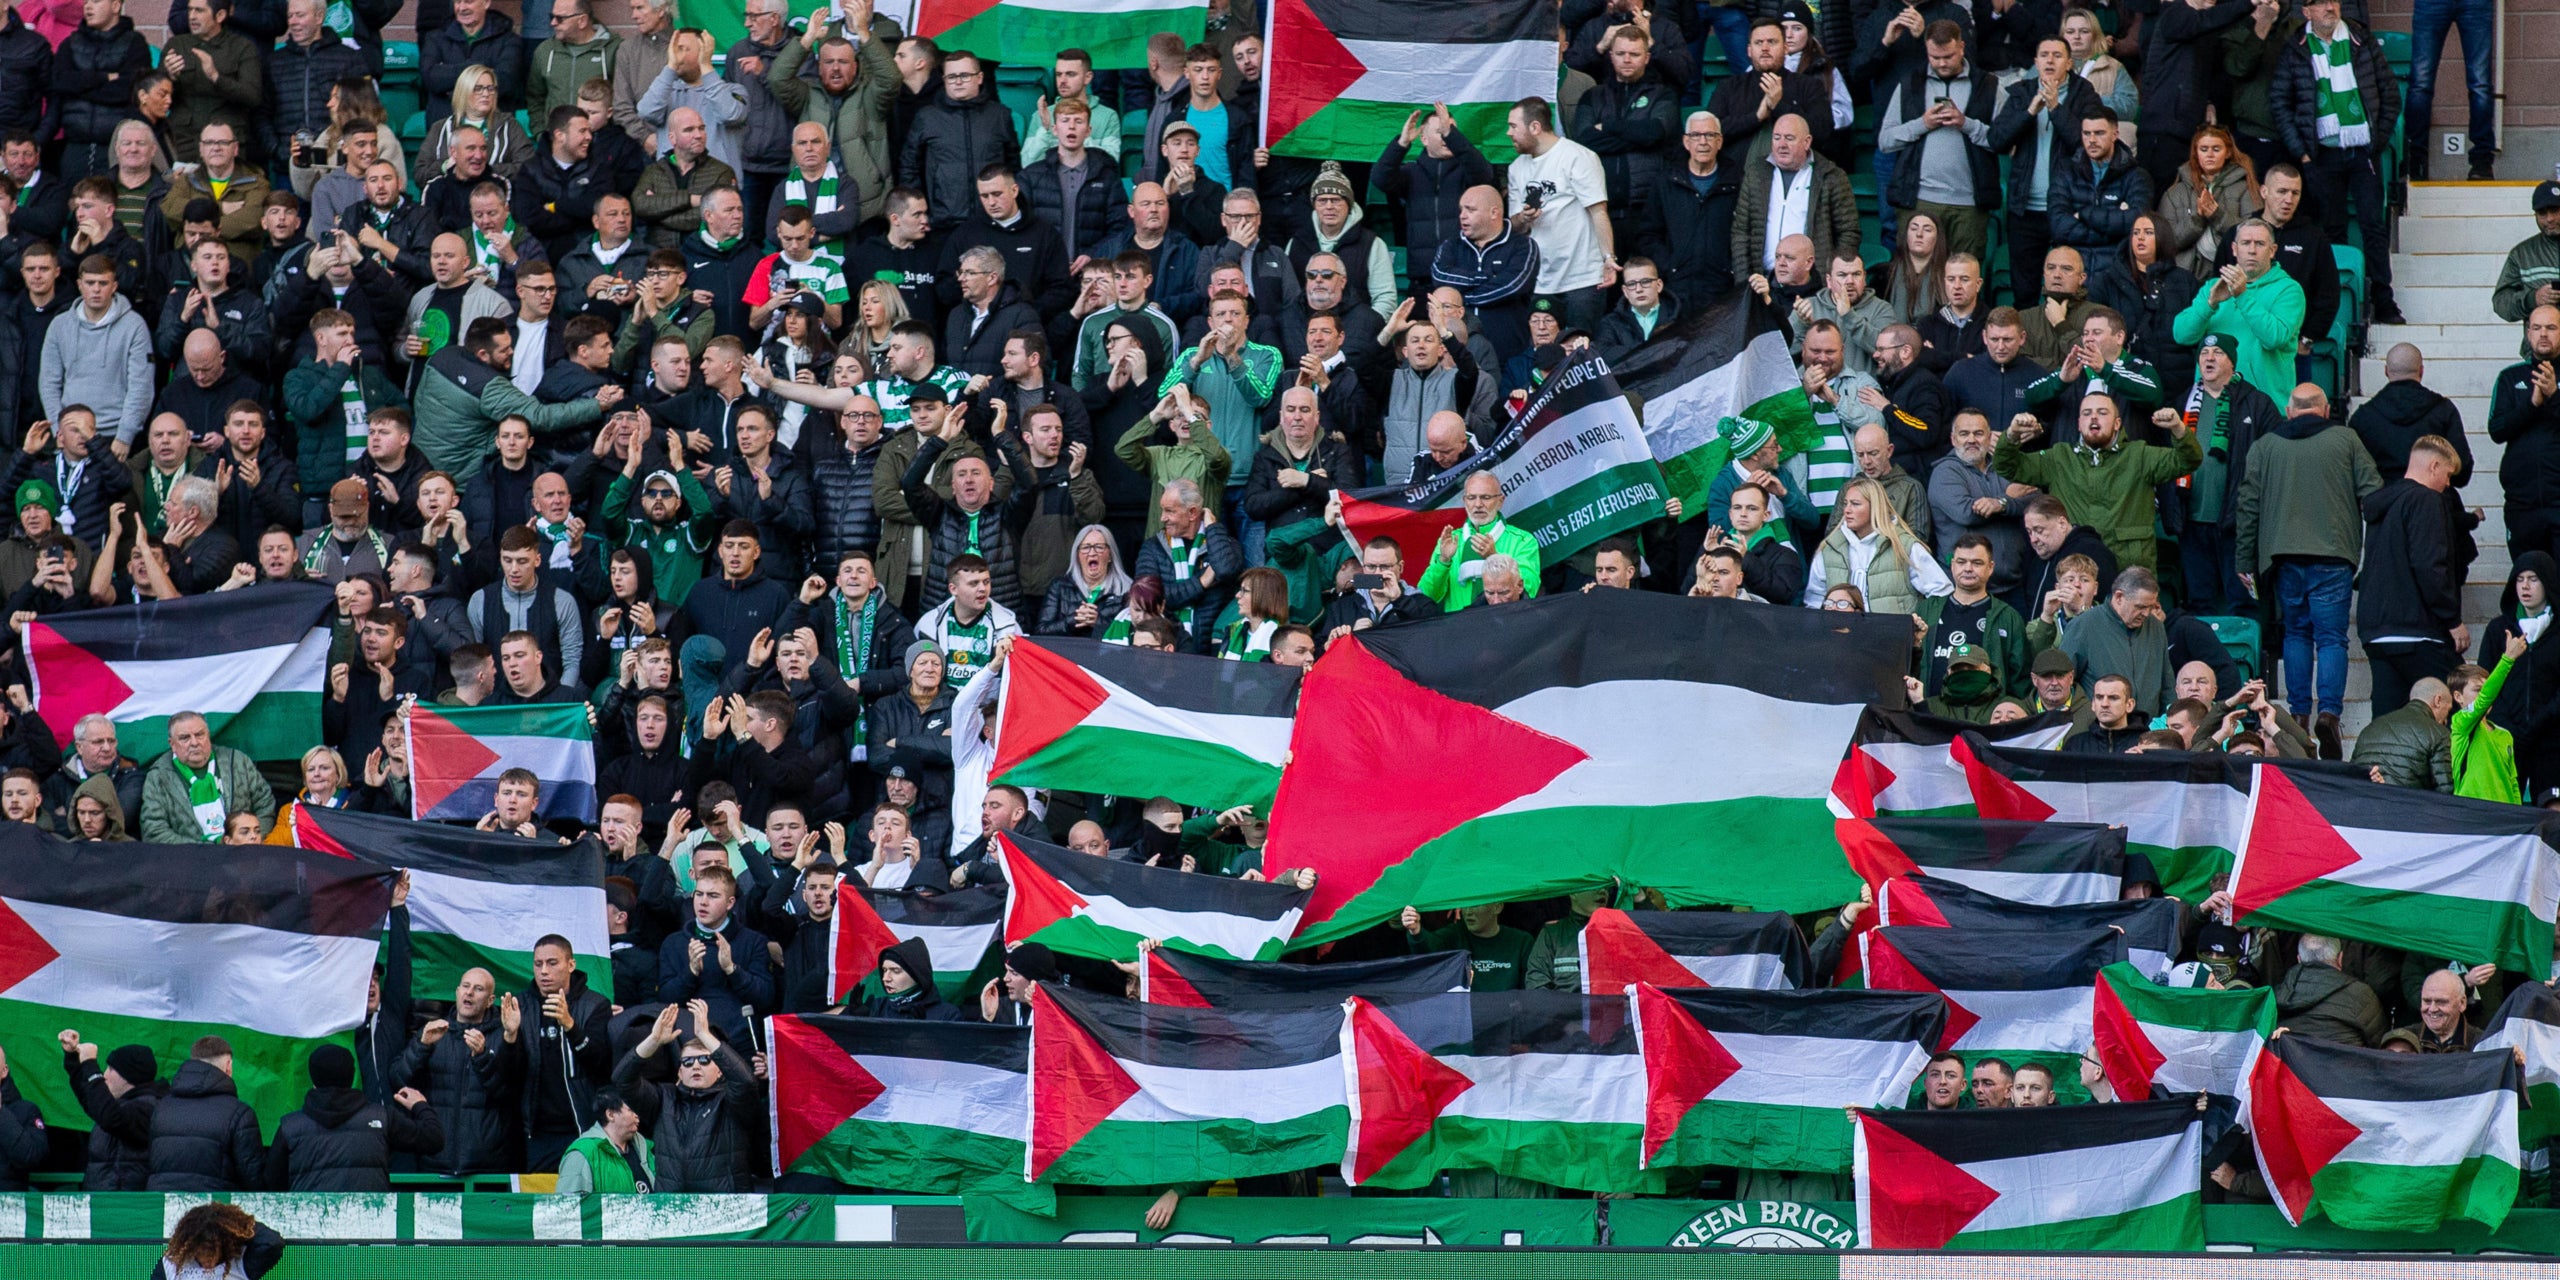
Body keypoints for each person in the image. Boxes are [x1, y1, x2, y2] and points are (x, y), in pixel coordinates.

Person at [2235, 383, 2380, 744]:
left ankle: (2298, 714)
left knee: (2296, 634)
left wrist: (2244, 560)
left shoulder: (2264, 446)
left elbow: (2247, 506)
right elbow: (2374, 496)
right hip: (2334, 556)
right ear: (2326, 409)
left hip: (2282, 556)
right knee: (2331, 638)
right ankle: (2329, 713)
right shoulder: (2347, 440)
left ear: (2289, 411)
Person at [2270, 0, 2401, 323]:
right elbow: (2279, 102)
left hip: (2362, 152)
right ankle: (2341, 308)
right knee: (2331, 230)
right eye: (2321, 3)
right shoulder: (2296, 47)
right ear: (2306, 11)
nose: (2330, 7)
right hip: (2321, 154)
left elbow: (2389, 94)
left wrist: (2377, 142)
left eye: (2334, 1)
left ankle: (2383, 300)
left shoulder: (2361, 39)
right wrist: (2302, 152)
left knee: (2373, 226)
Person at [1994, 394, 2200, 573]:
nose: (2093, 417)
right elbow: (2008, 467)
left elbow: (2188, 460)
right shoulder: (2058, 458)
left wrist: (2178, 428)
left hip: (2129, 572)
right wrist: (2012, 435)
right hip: (2077, 572)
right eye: (2087, 413)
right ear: (2078, 423)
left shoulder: (2140, 455)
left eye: (2102, 412)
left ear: (2117, 423)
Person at [2358, 435, 2469, 712]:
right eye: (2447, 474)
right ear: (2434, 466)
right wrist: (2452, 619)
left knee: (2389, 723)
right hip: (2418, 632)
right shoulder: (2426, 500)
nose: (2447, 484)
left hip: (2377, 633)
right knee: (2463, 707)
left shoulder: (2383, 505)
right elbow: (2429, 565)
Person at [2172, 334, 2281, 615]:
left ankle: (2244, 658)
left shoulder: (2256, 403)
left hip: (2237, 524)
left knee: (2243, 603)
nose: (2209, 358)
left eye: (2217, 352)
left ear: (2232, 362)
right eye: (2204, 353)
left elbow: (2273, 459)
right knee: (2199, 603)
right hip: (2192, 521)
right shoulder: (2183, 401)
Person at [1989, 37, 2100, 306]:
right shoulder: (2021, 92)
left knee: (2068, 290)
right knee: (2024, 288)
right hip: (2024, 209)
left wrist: (2055, 108)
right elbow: (1997, 140)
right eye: (2044, 55)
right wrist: (2029, 111)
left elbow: (2086, 145)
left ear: (2070, 63)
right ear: (2036, 62)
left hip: (2068, 207)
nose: (2050, 60)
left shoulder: (2084, 94)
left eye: (2057, 55)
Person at [611, 998, 759, 1192]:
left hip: (724, 1211)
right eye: (687, 1062)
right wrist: (653, 1041)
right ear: (680, 1072)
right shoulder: (664, 1099)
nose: (696, 1066)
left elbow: (746, 1081)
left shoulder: (731, 1100)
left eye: (705, 1060)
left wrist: (705, 1035)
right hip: (673, 1209)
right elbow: (622, 1080)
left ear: (720, 1069)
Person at [263, 1045, 442, 1191]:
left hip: (309, 1230)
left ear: (314, 1079)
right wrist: (420, 1105)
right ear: (351, 1075)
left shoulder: (290, 1127)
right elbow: (433, 1139)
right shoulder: (382, 1117)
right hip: (370, 1228)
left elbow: (271, 1182)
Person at [510, 934, 613, 1171]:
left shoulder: (595, 1004)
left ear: (571, 964)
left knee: (584, 1200)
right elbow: (509, 1073)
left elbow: (600, 1063)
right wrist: (509, 1037)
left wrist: (570, 1026)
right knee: (542, 1205)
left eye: (552, 963)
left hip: (583, 1125)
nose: (544, 971)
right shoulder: (520, 1005)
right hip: (537, 1132)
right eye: (538, 964)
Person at [139, 711, 276, 843]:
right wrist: (203, 851)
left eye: (199, 735)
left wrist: (252, 839)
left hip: (245, 854)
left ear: (208, 736)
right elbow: (154, 830)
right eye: (184, 738)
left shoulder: (238, 762)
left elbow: (265, 805)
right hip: (190, 860)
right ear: (172, 744)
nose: (194, 742)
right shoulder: (158, 776)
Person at [146, 1036, 262, 1191]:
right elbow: (254, 1179)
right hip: (213, 1210)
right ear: (228, 1066)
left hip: (162, 1208)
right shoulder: (240, 1113)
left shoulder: (160, 1108)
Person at [2060, 565, 2174, 718]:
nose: (2147, 614)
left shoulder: (2156, 626)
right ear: (2119, 597)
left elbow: (2167, 683)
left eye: (2151, 607)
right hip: (2100, 731)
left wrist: (2170, 721)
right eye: (2140, 607)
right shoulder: (2083, 626)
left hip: (2148, 731)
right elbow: (2064, 682)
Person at [2493, 307, 2560, 564]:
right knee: (2526, 579)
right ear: (2528, 333)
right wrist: (2531, 404)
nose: (2544, 334)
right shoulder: (2510, 378)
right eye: (2537, 328)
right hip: (2523, 505)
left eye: (2551, 328)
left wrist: (2554, 396)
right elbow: (2497, 430)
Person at [60, 1033, 163, 1190]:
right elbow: (91, 1098)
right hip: (104, 1200)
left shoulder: (149, 1109)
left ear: (129, 1076)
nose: (105, 1075)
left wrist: (90, 1065)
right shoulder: (115, 1106)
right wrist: (74, 1059)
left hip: (127, 1205)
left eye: (111, 1069)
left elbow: (111, 1117)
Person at [2273, 933, 2387, 1047]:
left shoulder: (2278, 994)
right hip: (2345, 1062)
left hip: (2291, 1062)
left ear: (2299, 959)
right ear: (2340, 958)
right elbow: (2379, 1044)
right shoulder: (2361, 995)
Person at [2450, 638, 2525, 804]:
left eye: (2486, 689)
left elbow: (2513, 783)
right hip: (2472, 814)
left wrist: (2517, 814)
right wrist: (2508, 659)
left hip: (2504, 816)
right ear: (2458, 696)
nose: (2484, 695)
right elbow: (2484, 700)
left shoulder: (2505, 734)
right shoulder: (2460, 723)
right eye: (2477, 690)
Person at [2351, 678, 2453, 791]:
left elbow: (2352, 773)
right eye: (2448, 710)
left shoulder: (2370, 728)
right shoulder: (2438, 733)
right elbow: (2445, 791)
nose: (2445, 721)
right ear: (2437, 700)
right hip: (2409, 805)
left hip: (2365, 801)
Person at [554, 1087, 653, 1194]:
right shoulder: (582, 1154)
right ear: (610, 1115)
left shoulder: (645, 1148)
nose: (637, 1115)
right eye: (631, 1110)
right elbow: (571, 1206)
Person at [157, 1203, 284, 1280]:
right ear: (192, 1248)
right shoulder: (173, 1263)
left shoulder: (241, 1261)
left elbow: (271, 1242)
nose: (207, 1260)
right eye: (201, 1252)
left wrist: (239, 1225)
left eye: (212, 1252)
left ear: (223, 1245)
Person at [2063, 672, 2146, 753]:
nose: (2104, 704)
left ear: (2129, 705)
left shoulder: (2146, 744)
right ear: (2093, 704)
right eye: (2099, 697)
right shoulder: (2075, 745)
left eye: (2113, 698)